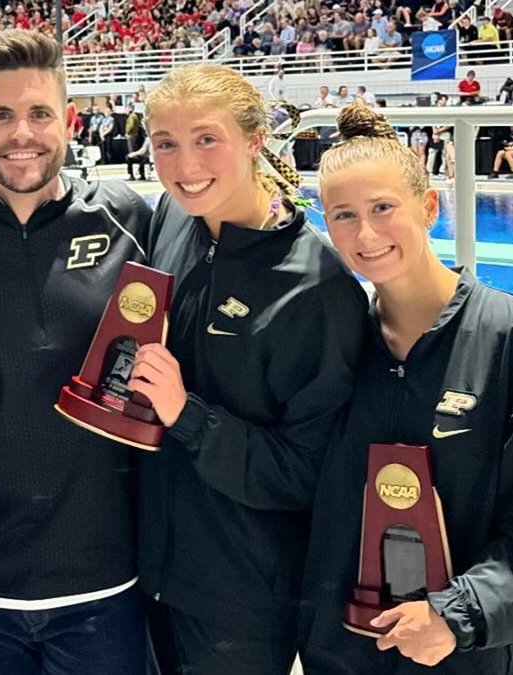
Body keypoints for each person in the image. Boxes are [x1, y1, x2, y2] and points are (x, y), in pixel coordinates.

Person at [0, 29, 154, 675]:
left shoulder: (130, 219)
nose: (23, 133)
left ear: (69, 120)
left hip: (106, 583)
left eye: (40, 113)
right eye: (2, 115)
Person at [135, 63, 368, 675]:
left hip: (239, 596)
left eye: (206, 139)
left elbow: (310, 472)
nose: (186, 165)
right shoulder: (172, 223)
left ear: (255, 140)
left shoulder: (317, 289)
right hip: (145, 571)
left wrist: (188, 416)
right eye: (166, 144)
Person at [298, 103, 513, 674]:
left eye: (383, 208)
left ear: (429, 207)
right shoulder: (331, 343)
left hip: (470, 654)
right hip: (346, 650)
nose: (367, 233)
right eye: (344, 215)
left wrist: (458, 616)